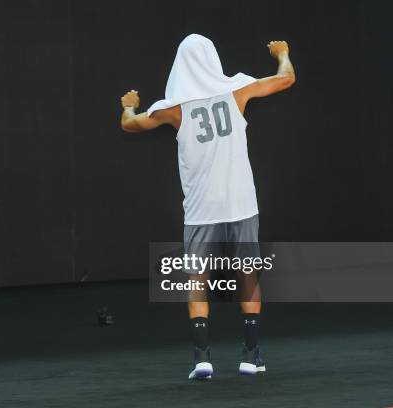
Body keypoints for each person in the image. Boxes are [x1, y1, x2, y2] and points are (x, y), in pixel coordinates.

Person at [119, 34, 295, 379]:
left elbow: (130, 123)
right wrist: (283, 53)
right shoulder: (237, 91)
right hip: (241, 203)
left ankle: (202, 358)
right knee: (248, 277)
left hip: (201, 209)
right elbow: (287, 77)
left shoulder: (171, 109)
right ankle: (250, 355)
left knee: (197, 279)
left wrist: (128, 104)